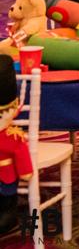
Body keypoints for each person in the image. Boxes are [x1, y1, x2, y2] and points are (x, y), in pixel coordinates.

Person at [0, 56, 32, 235]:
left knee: (7, 191)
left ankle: (9, 210)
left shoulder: (13, 136)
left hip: (6, 172)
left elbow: (21, 152)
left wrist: (25, 171)